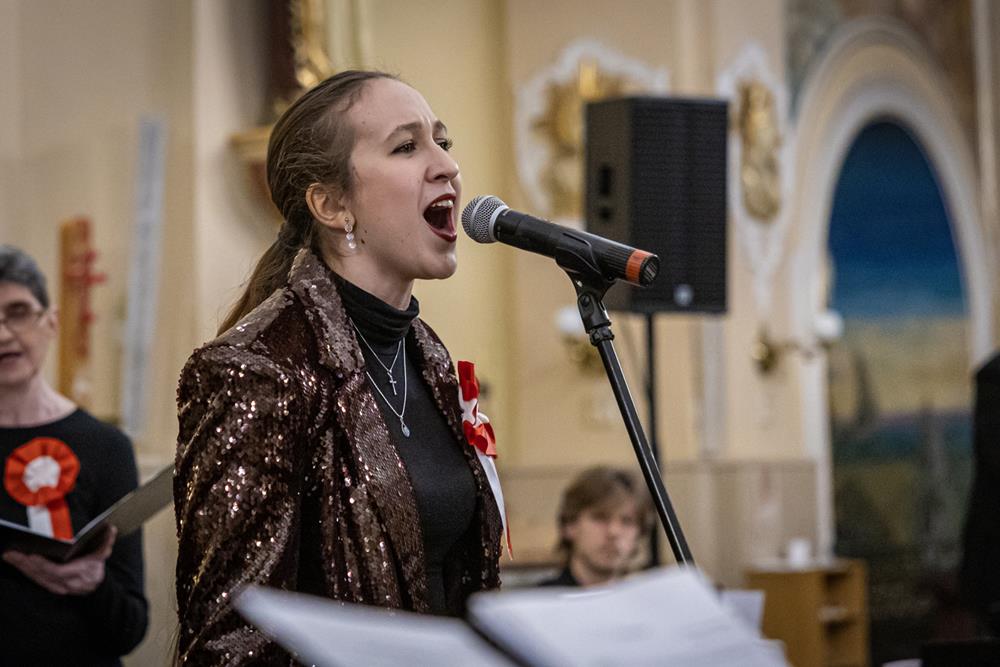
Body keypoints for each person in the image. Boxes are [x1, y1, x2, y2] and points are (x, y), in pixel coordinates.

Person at [173, 70, 504, 664]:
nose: (446, 166)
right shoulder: (255, 371)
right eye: (407, 147)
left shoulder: (426, 358)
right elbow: (232, 639)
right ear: (331, 205)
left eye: (442, 142)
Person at [0, 245, 148, 665]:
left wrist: (92, 583)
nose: (3, 333)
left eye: (18, 312)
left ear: (51, 323)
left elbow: (131, 628)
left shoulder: (106, 447)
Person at [539, 466, 652, 588]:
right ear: (570, 525)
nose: (613, 532)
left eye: (626, 521)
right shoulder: (538, 601)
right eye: (601, 518)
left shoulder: (646, 602)